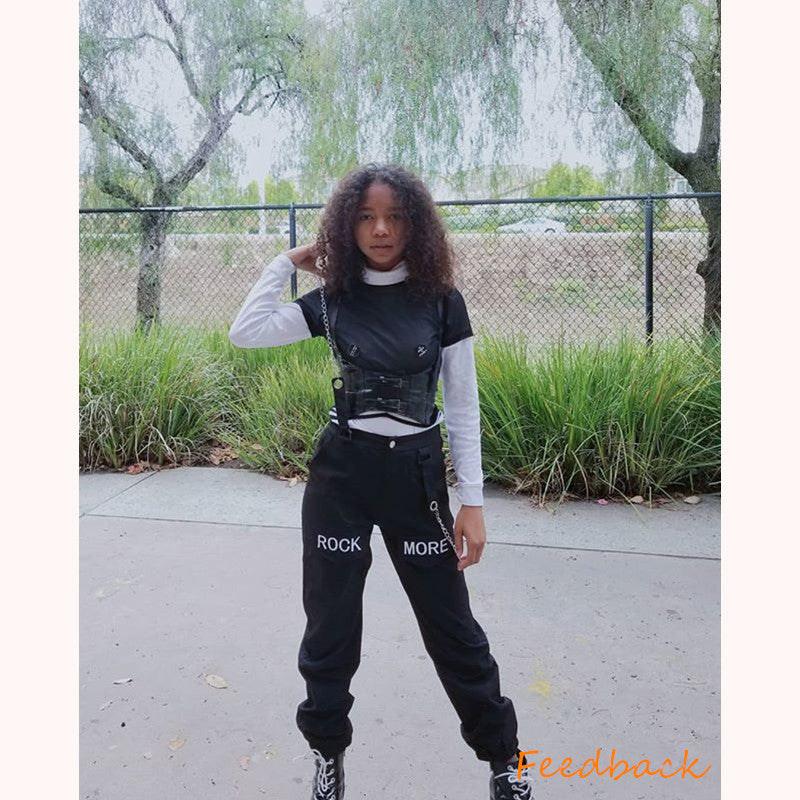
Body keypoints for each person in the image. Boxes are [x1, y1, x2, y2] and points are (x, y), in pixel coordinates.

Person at [229, 163, 534, 800]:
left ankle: (504, 762)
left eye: (394, 216)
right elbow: (246, 332)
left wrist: (473, 502)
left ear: (416, 224)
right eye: (366, 217)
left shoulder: (442, 301)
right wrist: (287, 262)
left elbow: (463, 405)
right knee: (330, 628)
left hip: (416, 478)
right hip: (341, 478)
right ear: (347, 224)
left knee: (452, 627)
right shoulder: (332, 300)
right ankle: (327, 755)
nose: (381, 230)